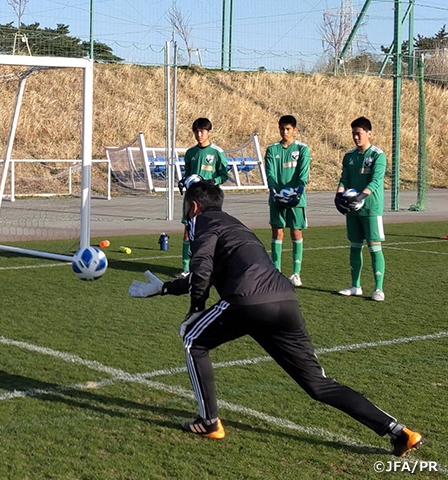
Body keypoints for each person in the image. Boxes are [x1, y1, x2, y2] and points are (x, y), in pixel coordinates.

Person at [128, 180, 423, 457]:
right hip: (284, 301)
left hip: (247, 302)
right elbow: (206, 272)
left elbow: (202, 266)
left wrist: (196, 309)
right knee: (318, 384)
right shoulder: (234, 225)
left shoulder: (202, 221)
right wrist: (166, 287)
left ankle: (209, 422)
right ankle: (399, 432)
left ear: (193, 207)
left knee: (193, 340)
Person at [334, 117, 387, 302]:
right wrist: (339, 196)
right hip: (353, 209)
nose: (356, 137)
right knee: (355, 246)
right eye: (354, 133)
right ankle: (355, 285)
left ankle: (378, 288)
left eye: (359, 133)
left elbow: (376, 180)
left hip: (371, 208)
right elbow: (344, 179)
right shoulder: (349, 156)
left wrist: (360, 197)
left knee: (374, 248)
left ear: (369, 133)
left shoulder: (378, 155)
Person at [178, 117, 229, 277]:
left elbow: (224, 175)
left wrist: (214, 181)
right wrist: (183, 181)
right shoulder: (190, 153)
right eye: (196, 131)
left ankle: (210, 265)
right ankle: (187, 268)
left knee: (209, 232)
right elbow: (187, 173)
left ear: (209, 132)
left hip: (209, 197)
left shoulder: (217, 152)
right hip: (192, 197)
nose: (199, 134)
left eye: (202, 131)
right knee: (188, 231)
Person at [264, 115, 310, 287]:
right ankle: (276, 272)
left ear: (294, 130)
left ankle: (296, 273)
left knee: (296, 232)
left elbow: (303, 173)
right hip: (276, 198)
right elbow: (270, 173)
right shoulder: (272, 150)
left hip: (297, 199)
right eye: (282, 128)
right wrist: (275, 190)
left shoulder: (302, 149)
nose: (285, 132)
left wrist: (297, 192)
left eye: (288, 129)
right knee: (277, 232)